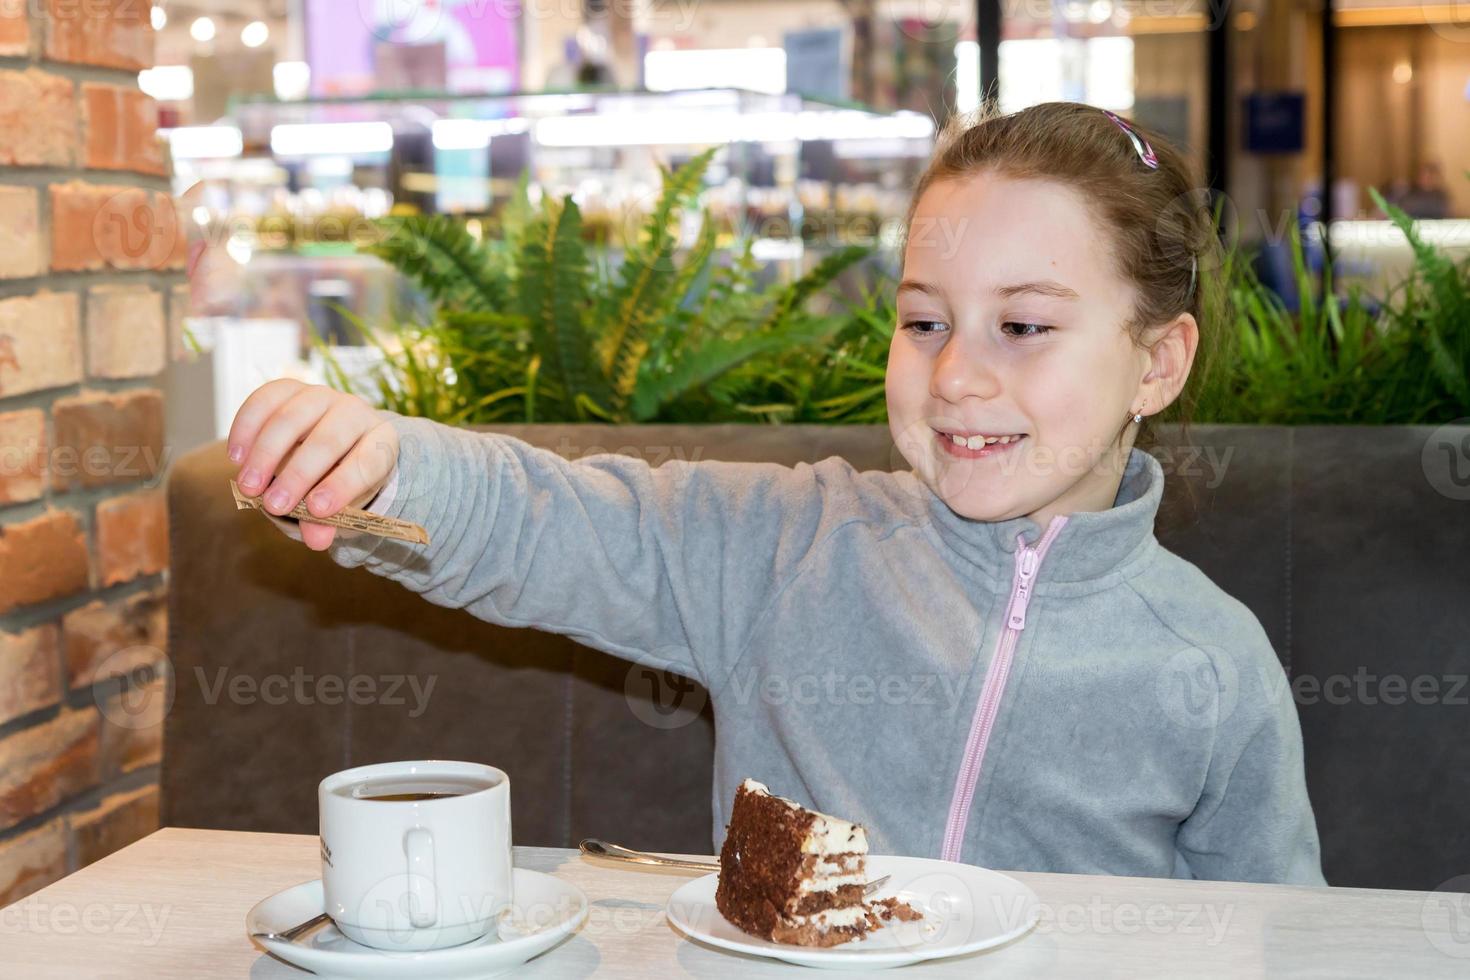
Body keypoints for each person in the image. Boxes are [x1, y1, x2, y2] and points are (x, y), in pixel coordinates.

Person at [226, 102, 1327, 886]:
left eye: (1024, 325)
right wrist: (381, 462)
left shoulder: (1214, 663)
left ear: (1158, 361)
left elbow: (1284, 943)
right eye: (924, 320)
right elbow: (551, 521)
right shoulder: (785, 543)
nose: (956, 375)